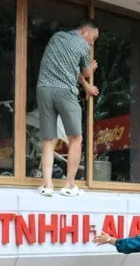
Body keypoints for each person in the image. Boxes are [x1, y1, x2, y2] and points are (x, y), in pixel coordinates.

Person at [36, 18, 100, 197]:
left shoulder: (57, 38)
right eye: (93, 38)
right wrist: (92, 67)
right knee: (76, 138)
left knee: (48, 139)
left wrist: (86, 87)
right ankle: (70, 185)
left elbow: (70, 68)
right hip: (65, 92)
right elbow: (86, 72)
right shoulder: (82, 45)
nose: (92, 42)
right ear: (85, 31)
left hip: (44, 90)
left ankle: (47, 184)